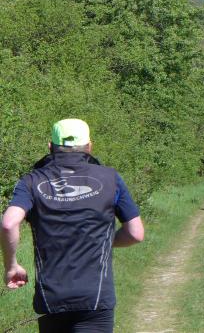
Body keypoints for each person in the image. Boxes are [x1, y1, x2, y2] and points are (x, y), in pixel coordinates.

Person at [1, 118, 144, 333]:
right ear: (89, 146)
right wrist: (98, 241)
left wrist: (11, 266)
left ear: (50, 146)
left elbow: (9, 223)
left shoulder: (31, 181)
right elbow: (135, 233)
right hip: (96, 297)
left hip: (51, 298)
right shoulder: (110, 178)